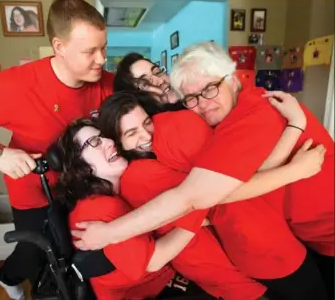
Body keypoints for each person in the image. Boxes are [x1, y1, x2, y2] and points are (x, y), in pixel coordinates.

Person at [73, 42, 334, 297]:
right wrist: (296, 140)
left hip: (310, 236)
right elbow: (212, 191)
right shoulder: (176, 138)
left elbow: (214, 190)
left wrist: (296, 129)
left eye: (210, 88)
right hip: (283, 245)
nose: (203, 102)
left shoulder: (244, 115)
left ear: (232, 79)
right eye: (192, 97)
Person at [0, 0, 113, 299]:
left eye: (104, 47)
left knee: (72, 253)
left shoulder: (107, 83)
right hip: (33, 190)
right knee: (37, 253)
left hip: (82, 187)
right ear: (59, 46)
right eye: (90, 51)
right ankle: (6, 277)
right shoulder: (16, 86)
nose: (102, 59)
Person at [54, 118, 205, 300]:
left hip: (157, 279)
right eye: (95, 142)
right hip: (147, 291)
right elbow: (154, 260)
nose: (110, 142)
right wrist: (198, 212)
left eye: (104, 137)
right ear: (81, 167)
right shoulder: (98, 207)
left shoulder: (117, 190)